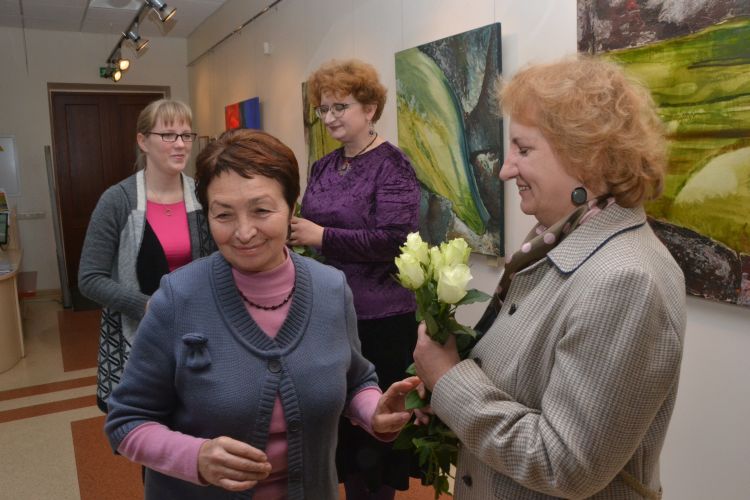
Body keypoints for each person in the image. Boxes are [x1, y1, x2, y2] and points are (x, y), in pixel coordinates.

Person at [413, 56, 686, 499]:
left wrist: (449, 382)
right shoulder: (556, 239)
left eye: (523, 149)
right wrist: (441, 391)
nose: (504, 170)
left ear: (586, 155)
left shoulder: (624, 280)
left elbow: (567, 465)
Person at [104, 129, 420, 499]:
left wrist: (373, 411)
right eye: (224, 214)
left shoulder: (331, 289)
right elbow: (126, 421)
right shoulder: (178, 298)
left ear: (292, 208)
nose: (244, 232)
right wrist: (195, 457)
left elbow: (355, 380)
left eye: (261, 210)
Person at [289, 58, 421, 499]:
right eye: (323, 109)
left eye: (339, 107)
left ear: (370, 108)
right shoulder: (323, 166)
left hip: (379, 319)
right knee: (340, 436)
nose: (329, 118)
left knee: (375, 444)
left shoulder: (392, 165)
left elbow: (396, 240)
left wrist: (322, 237)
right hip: (327, 314)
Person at [78, 99, 214, 413]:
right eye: (168, 135)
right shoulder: (117, 201)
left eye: (186, 135)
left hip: (196, 332)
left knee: (196, 420)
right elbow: (89, 278)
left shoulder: (203, 196)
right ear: (143, 141)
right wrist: (147, 305)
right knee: (144, 423)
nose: (180, 144)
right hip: (137, 336)